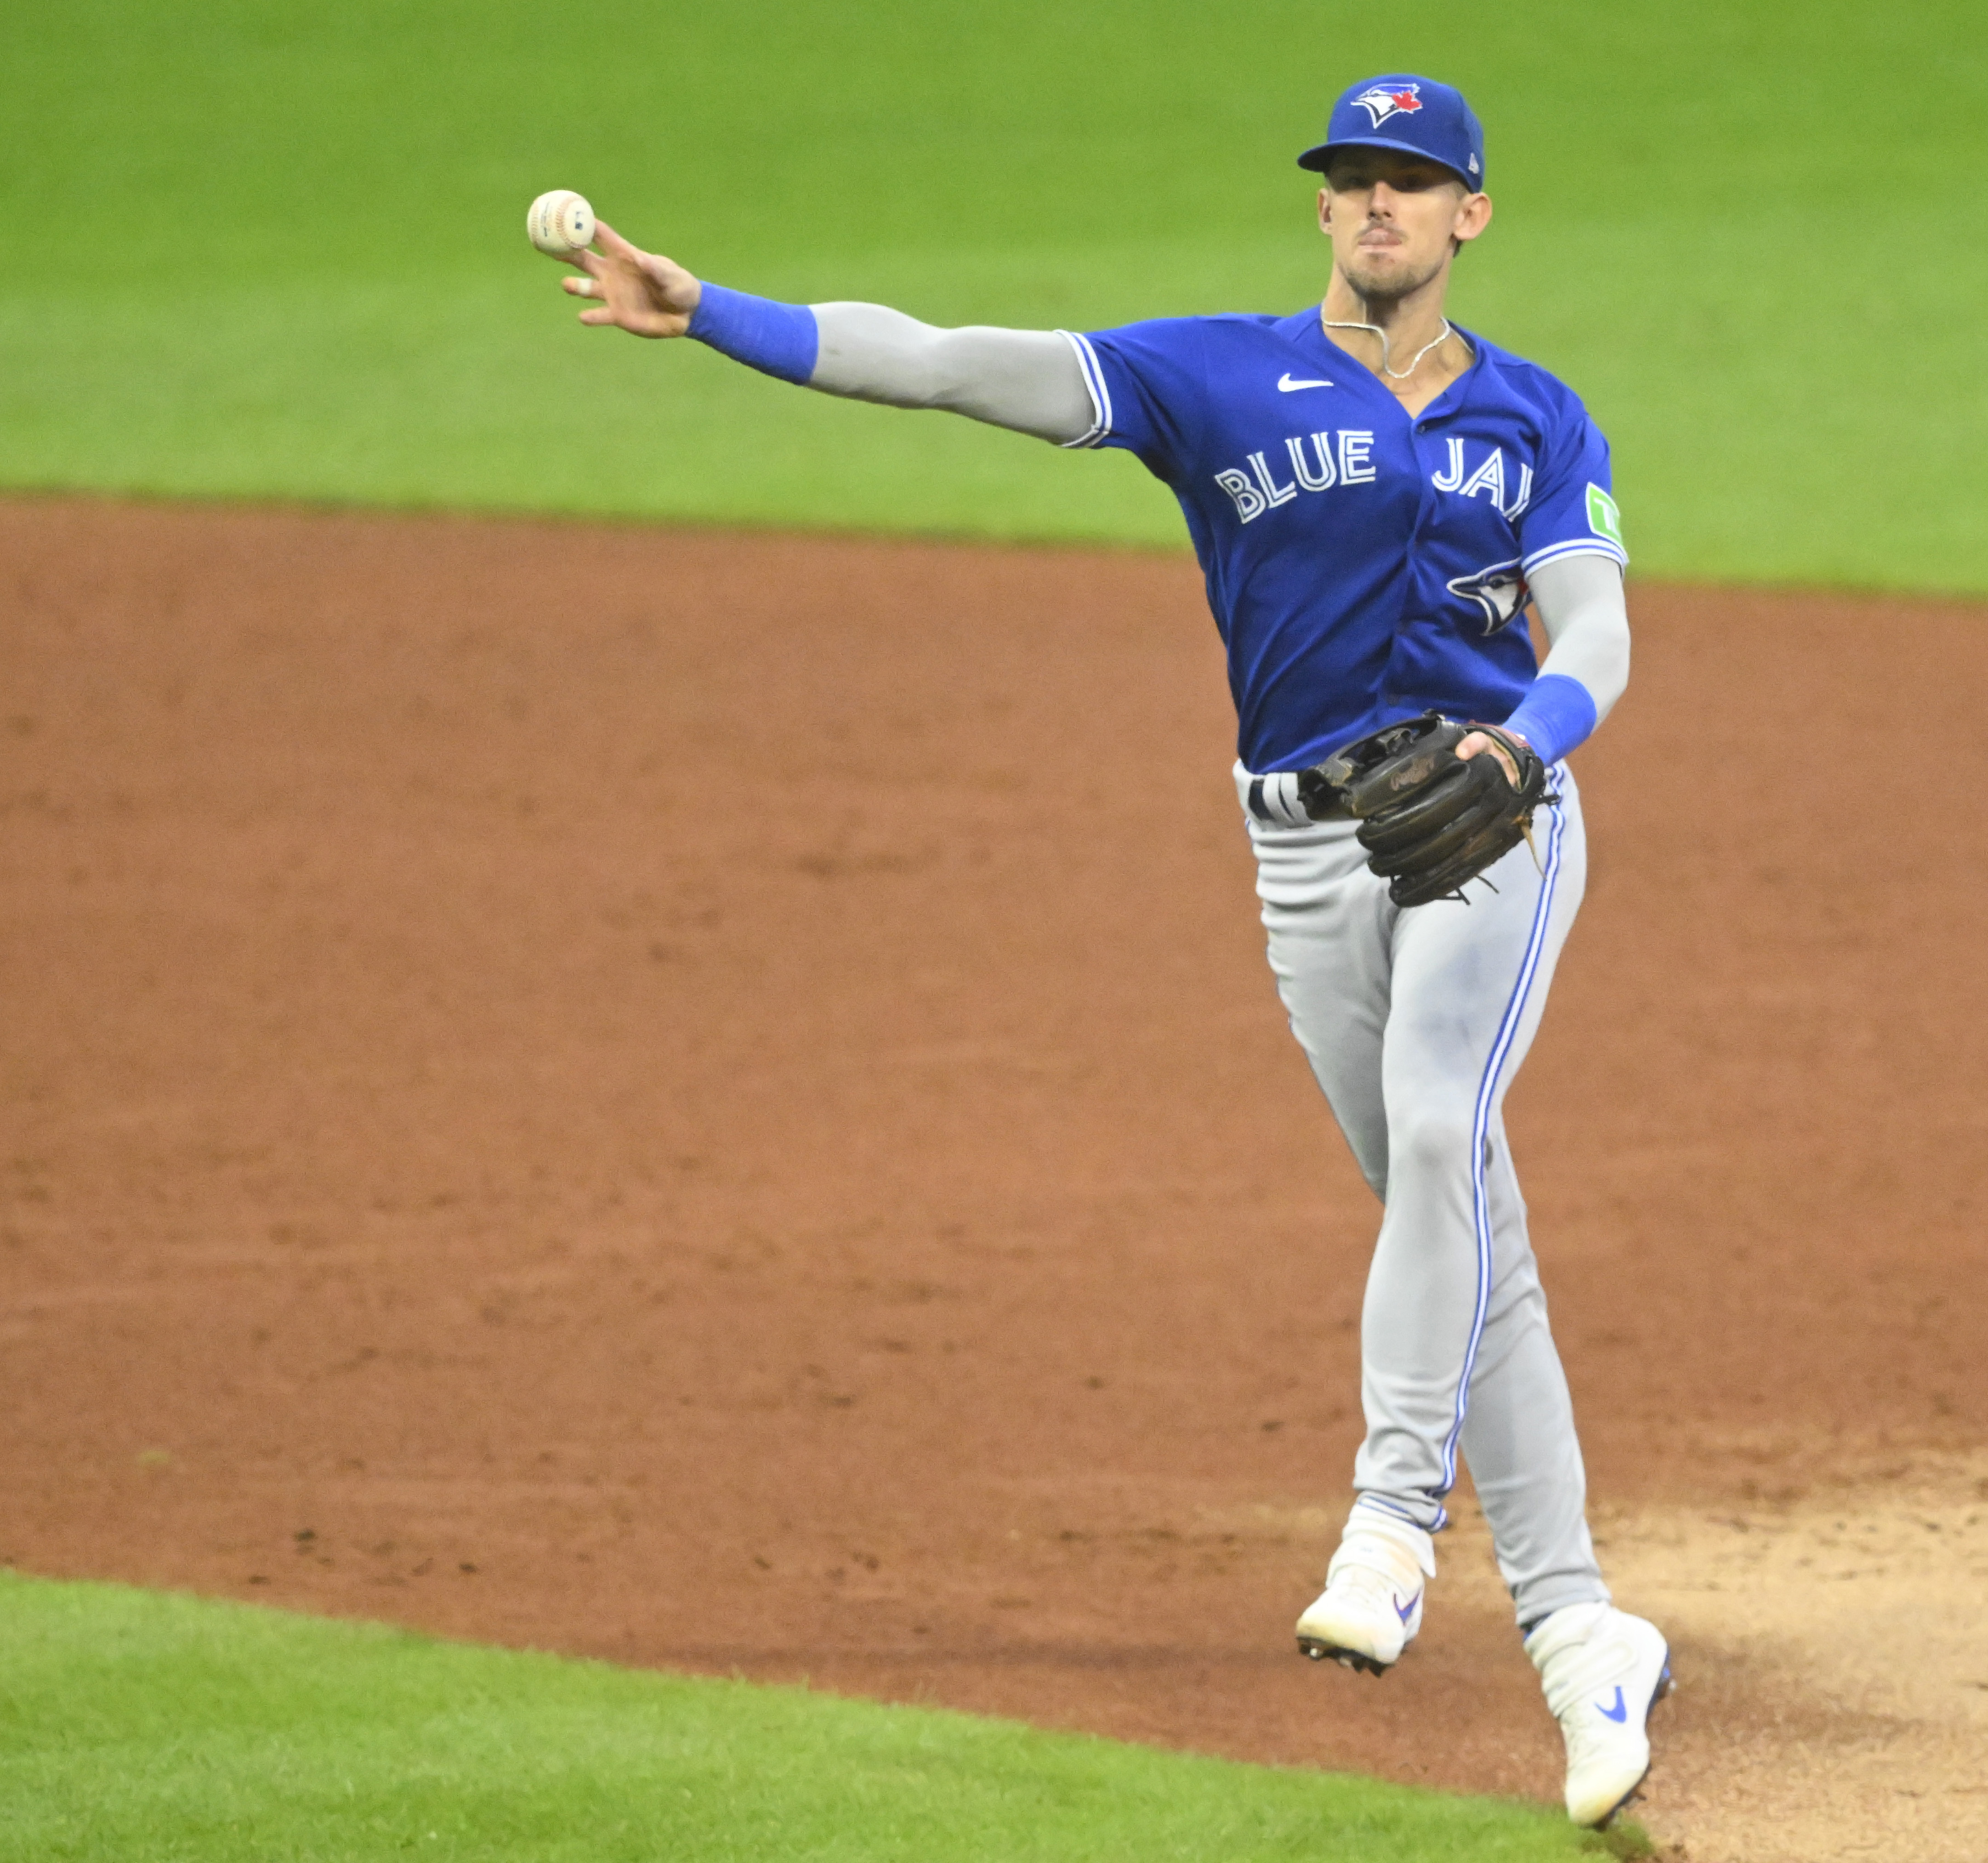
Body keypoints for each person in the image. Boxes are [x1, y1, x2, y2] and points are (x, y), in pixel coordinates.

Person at [551, 73, 1667, 1827]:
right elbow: (937, 358)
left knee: (1445, 1127)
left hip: (1491, 823)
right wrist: (712, 317)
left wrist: (1525, 741)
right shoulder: (1206, 377)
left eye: (1412, 183)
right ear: (1320, 211)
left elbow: (1595, 620)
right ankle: (1584, 1635)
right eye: (1350, 181)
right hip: (1301, 855)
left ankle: (1392, 1520)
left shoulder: (1532, 416)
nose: (1376, 206)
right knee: (1459, 1220)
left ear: (1469, 217)